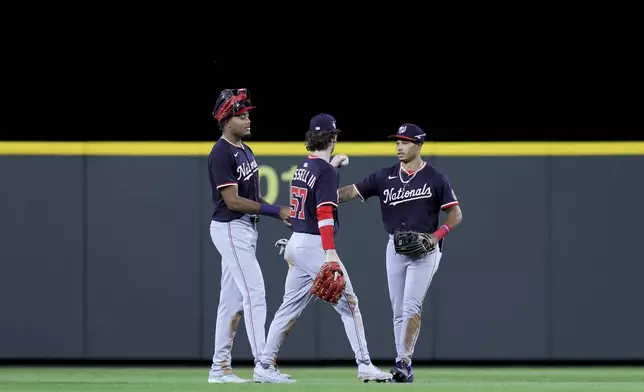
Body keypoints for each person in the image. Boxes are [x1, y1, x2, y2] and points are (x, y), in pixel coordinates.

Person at [253, 114, 393, 384]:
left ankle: (264, 365)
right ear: (334, 137)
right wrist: (330, 253)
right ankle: (364, 364)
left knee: (289, 308)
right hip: (316, 245)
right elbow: (325, 211)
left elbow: (317, 182)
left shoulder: (303, 166)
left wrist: (333, 164)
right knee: (349, 304)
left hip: (296, 243)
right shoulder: (325, 171)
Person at [336, 123, 463, 383]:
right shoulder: (385, 176)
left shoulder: (435, 178)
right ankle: (401, 364)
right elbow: (350, 192)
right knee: (397, 310)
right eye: (397, 142)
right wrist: (325, 189)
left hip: (426, 250)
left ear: (418, 145)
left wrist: (436, 237)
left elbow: (456, 214)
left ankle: (404, 361)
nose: (399, 146)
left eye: (405, 142)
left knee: (411, 306)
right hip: (395, 246)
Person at [206, 88, 292, 384]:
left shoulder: (244, 149)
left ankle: (219, 368)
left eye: (246, 114)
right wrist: (275, 209)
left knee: (231, 301)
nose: (247, 119)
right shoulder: (221, 152)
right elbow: (232, 201)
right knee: (254, 292)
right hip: (231, 226)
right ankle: (263, 365)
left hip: (244, 228)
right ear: (226, 120)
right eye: (241, 115)